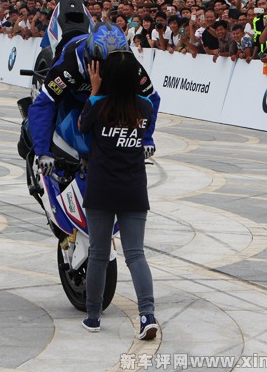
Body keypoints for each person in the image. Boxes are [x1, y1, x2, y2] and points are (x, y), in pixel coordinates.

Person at [78, 50, 158, 340]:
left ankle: (93, 316)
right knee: (135, 254)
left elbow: (82, 127)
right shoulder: (145, 107)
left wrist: (94, 90)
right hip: (133, 189)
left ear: (106, 76)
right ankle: (147, 315)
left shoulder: (98, 105)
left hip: (101, 188)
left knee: (98, 254)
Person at [28, 21, 160, 174]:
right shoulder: (70, 64)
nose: (109, 70)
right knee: (53, 112)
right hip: (73, 93)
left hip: (105, 97)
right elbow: (45, 103)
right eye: (104, 64)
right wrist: (43, 152)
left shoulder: (128, 63)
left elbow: (151, 98)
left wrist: (146, 138)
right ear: (90, 57)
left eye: (114, 63)